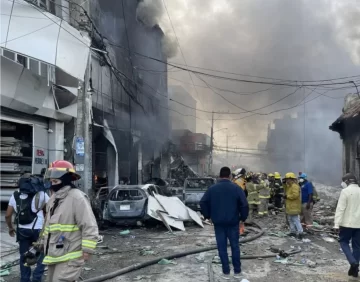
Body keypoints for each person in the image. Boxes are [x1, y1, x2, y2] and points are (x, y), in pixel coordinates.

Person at [42, 160, 99, 282]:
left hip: (70, 257)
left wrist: (87, 250)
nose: (53, 185)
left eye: (55, 181)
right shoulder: (53, 199)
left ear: (66, 180)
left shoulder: (77, 198)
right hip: (53, 256)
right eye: (51, 181)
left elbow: (89, 226)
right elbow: (48, 227)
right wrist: (41, 245)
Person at [200, 167, 249, 279]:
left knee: (222, 248)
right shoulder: (236, 188)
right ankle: (237, 272)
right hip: (233, 222)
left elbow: (203, 202)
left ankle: (226, 273)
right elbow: (244, 204)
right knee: (235, 246)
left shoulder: (212, 189)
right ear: (230, 176)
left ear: (219, 176)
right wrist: (242, 218)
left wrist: (208, 216)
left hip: (219, 224)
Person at [5, 173, 49, 282]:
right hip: (38, 229)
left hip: (22, 230)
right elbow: (50, 210)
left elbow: (8, 215)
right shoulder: (42, 194)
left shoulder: (15, 195)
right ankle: (37, 277)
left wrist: (11, 228)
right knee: (42, 254)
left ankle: (25, 279)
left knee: (24, 255)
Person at [334, 173, 360, 278]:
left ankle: (353, 262)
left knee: (343, 242)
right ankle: (354, 270)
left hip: (347, 224)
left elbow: (340, 209)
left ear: (347, 181)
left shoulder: (345, 192)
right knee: (357, 246)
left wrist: (336, 224)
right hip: (359, 225)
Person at [283, 172, 303, 239]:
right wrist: (283, 184)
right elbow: (285, 190)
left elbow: (295, 195)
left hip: (294, 206)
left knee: (296, 220)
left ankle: (300, 232)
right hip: (290, 206)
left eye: (287, 179)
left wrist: (287, 196)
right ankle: (293, 232)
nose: (286, 180)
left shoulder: (295, 186)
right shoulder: (289, 186)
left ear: (291, 179)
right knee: (290, 219)